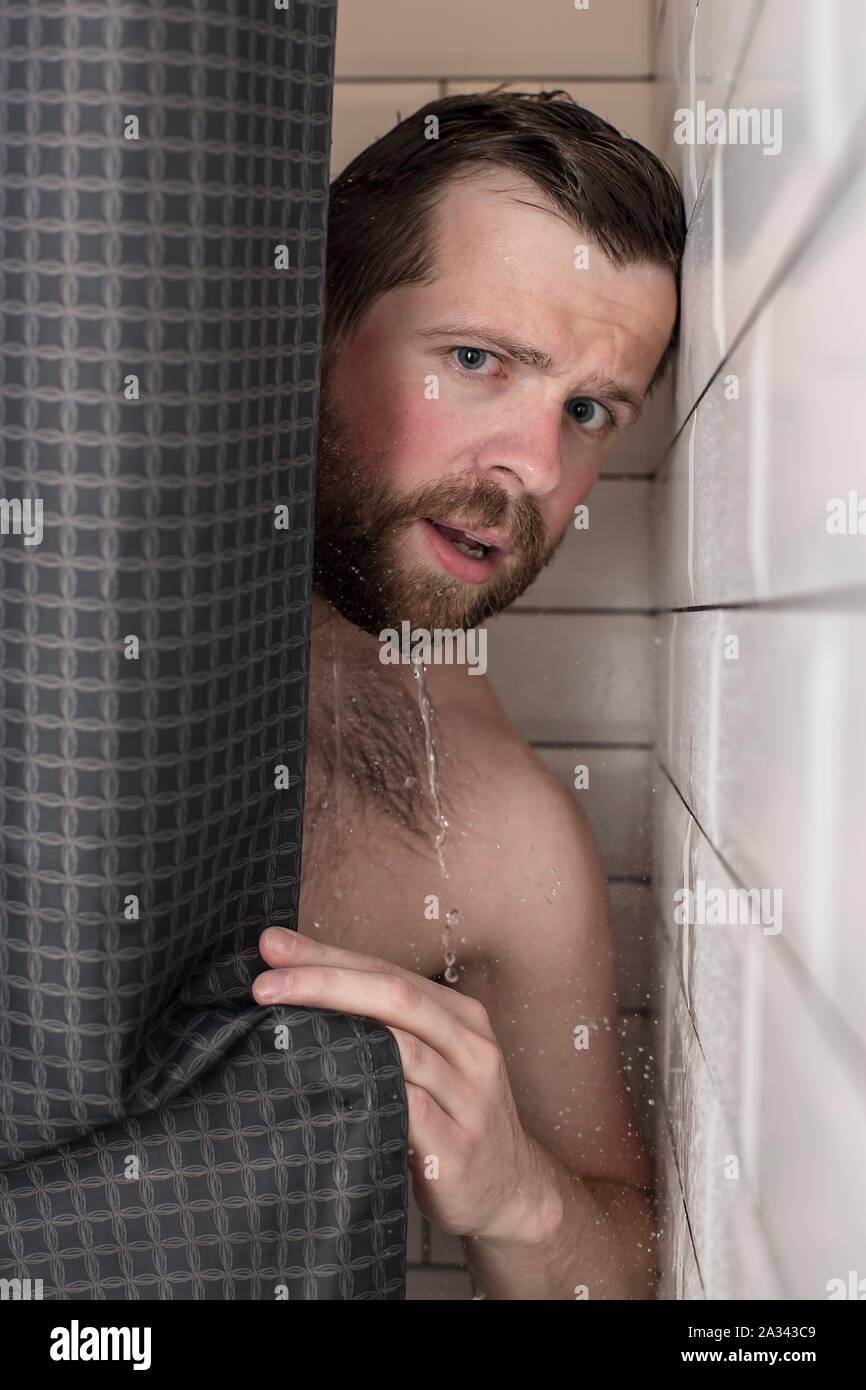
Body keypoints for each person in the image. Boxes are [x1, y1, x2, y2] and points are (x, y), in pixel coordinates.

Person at [252, 90, 684, 1299]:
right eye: (477, 361)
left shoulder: (498, 830)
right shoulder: (57, 594)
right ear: (312, 320)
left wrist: (520, 1196)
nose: (536, 471)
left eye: (587, 410)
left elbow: (618, 1264)